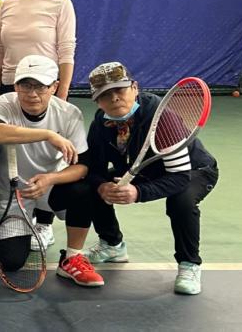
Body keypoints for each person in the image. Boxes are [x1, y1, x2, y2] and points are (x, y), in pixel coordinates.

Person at [82, 62, 218, 295]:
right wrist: (102, 186)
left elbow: (180, 177)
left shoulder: (162, 118)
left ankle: (189, 264)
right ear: (97, 101)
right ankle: (112, 244)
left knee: (181, 201)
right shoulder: (100, 124)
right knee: (89, 186)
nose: (114, 98)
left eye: (119, 89)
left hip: (192, 170)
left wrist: (138, 192)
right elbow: (94, 168)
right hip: (144, 169)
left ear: (134, 88)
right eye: (105, 95)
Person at [0, 55, 104, 287]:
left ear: (54, 87)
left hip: (51, 188)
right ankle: (27, 222)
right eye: (25, 85)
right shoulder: (3, 104)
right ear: (15, 86)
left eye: (40, 86)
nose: (32, 93)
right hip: (13, 192)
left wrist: (51, 179)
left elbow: (82, 166)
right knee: (12, 261)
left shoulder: (69, 113)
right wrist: (48, 135)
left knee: (85, 190)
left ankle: (71, 256)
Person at [0, 0, 76, 243]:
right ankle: (9, 211)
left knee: (45, 154)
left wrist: (60, 97)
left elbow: (66, 52)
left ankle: (44, 220)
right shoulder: (7, 4)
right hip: (11, 89)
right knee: (10, 156)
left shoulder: (60, 3)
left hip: (45, 93)